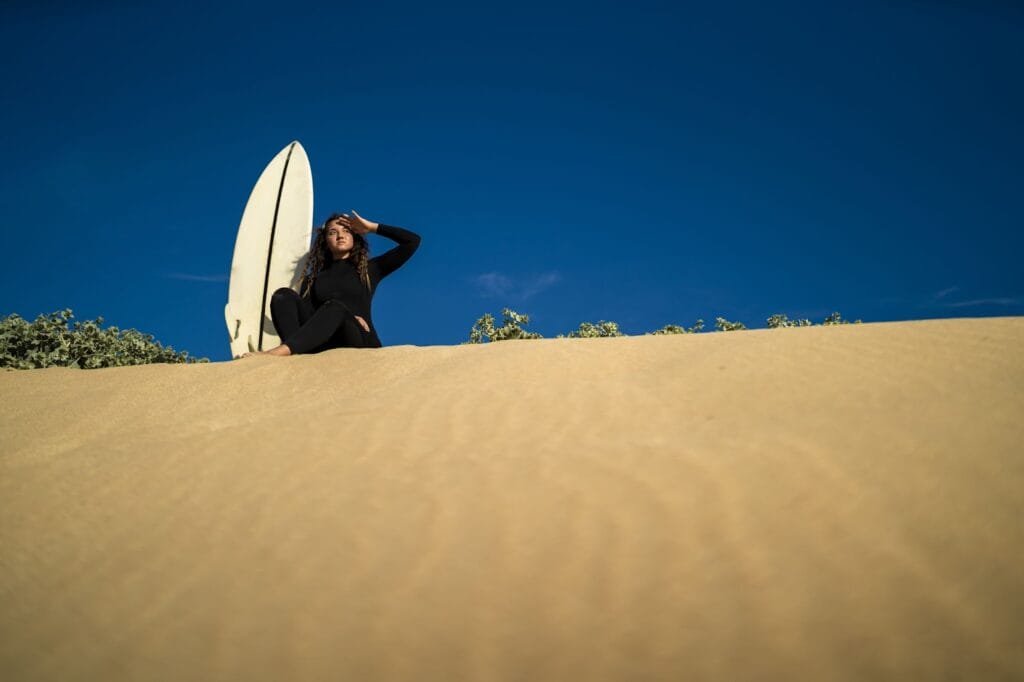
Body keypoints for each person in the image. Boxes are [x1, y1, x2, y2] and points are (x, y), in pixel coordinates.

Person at [241, 210, 420, 357]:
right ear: (325, 241)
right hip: (326, 343)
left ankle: (281, 352)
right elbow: (309, 319)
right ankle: (295, 357)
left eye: (346, 231)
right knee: (283, 296)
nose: (340, 236)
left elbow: (412, 242)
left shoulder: (369, 269)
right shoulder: (314, 280)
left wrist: (371, 227)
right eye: (333, 232)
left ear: (355, 237)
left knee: (336, 307)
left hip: (360, 343)